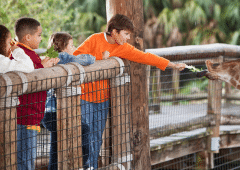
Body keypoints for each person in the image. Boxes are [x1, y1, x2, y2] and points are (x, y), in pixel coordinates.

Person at [74, 14, 186, 169]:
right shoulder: (94, 39)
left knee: (96, 138)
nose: (127, 38)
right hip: (85, 97)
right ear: (114, 32)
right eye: (126, 34)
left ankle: (91, 167)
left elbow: (144, 57)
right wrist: (99, 58)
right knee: (84, 137)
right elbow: (75, 57)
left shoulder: (123, 48)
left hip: (103, 99)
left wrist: (172, 65)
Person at [42, 32, 100, 170]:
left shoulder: (50, 56)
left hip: (48, 113)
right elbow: (87, 60)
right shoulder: (63, 56)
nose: (74, 48)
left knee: (56, 143)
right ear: (63, 46)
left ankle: (54, 168)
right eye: (72, 45)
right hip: (59, 112)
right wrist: (96, 57)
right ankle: (84, 164)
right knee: (84, 128)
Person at [12, 17, 59, 170]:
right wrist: (44, 66)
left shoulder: (27, 53)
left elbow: (35, 69)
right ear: (28, 37)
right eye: (39, 35)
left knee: (27, 159)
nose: (41, 39)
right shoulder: (22, 54)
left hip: (31, 115)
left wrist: (43, 64)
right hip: (26, 116)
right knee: (25, 161)